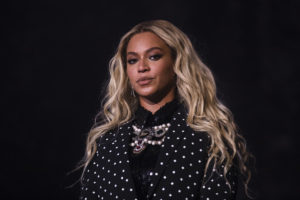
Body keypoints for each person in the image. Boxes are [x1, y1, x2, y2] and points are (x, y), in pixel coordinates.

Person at [79, 20, 253, 200]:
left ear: (176, 63)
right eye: (132, 60)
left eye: (153, 56)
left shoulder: (208, 138)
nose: (142, 67)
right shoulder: (107, 142)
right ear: (126, 70)